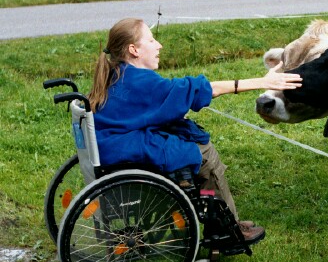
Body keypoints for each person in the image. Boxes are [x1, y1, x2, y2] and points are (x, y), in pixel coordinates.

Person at [87, 17, 302, 242]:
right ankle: (227, 229)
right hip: (123, 152)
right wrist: (261, 82)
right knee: (204, 153)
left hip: (112, 146)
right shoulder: (140, 82)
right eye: (151, 41)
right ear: (134, 50)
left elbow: (151, 105)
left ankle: (220, 216)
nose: (159, 45)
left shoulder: (117, 73)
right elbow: (199, 89)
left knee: (190, 142)